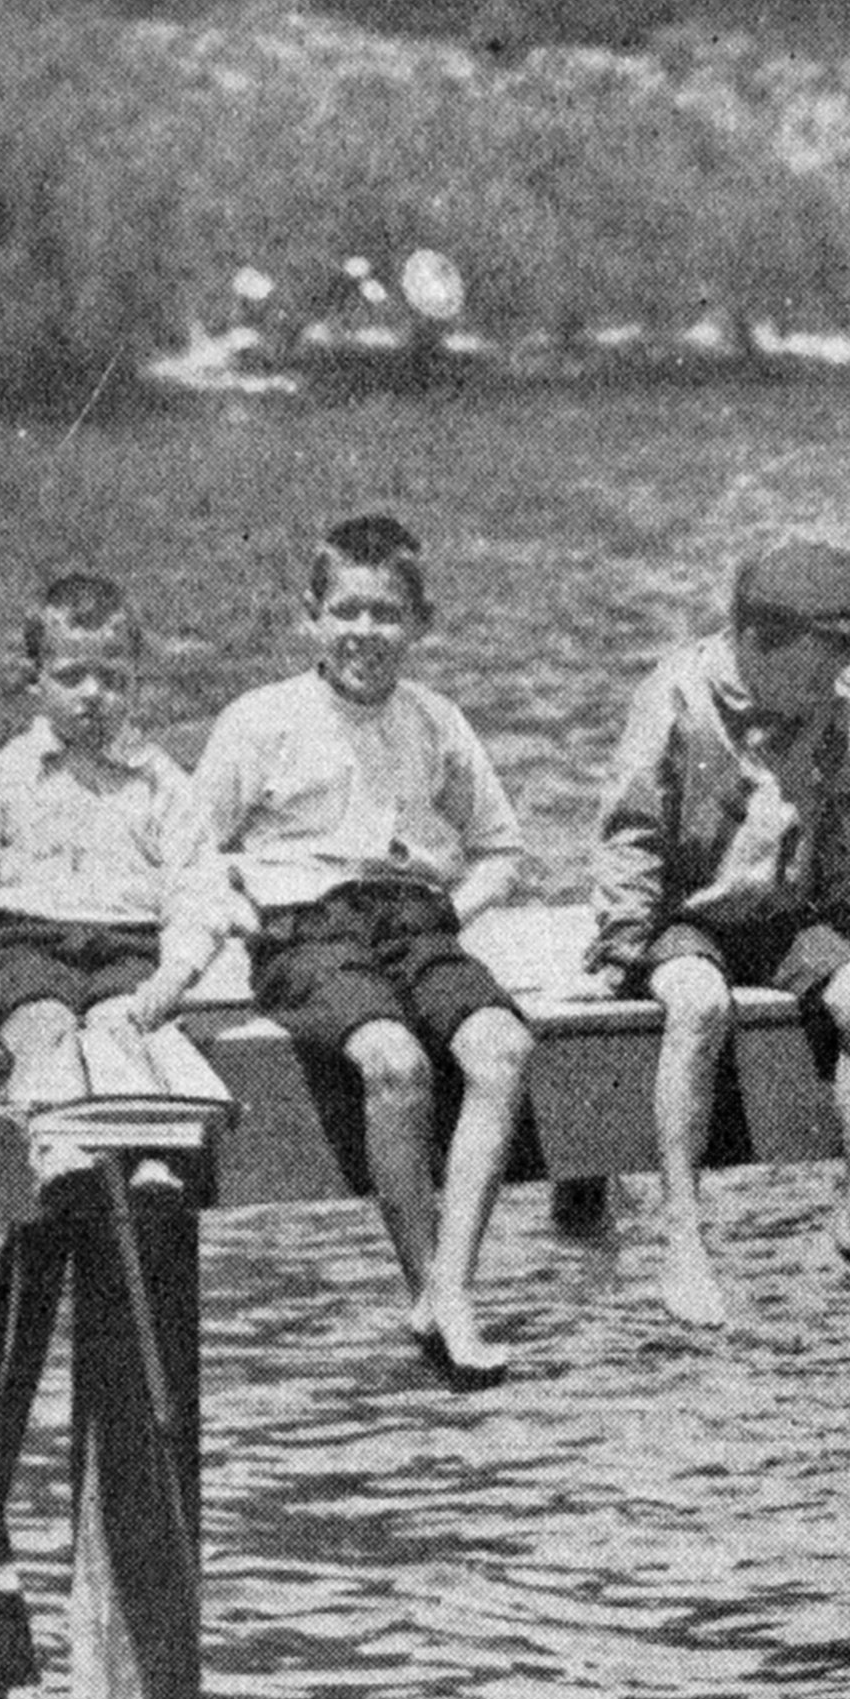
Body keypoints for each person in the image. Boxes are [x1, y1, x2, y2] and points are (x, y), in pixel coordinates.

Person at [195, 513, 535, 1388]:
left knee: (502, 1045)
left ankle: (451, 1286)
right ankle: (427, 1285)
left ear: (419, 624)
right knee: (394, 1062)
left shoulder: (436, 721)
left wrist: (454, 910)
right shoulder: (261, 720)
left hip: (416, 915)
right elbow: (192, 851)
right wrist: (240, 914)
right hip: (307, 922)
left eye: (387, 614)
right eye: (345, 611)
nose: (365, 633)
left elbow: (501, 846)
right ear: (311, 617)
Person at [582, 542, 850, 1331]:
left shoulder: (823, 707)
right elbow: (629, 831)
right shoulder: (675, 695)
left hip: (775, 913)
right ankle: (683, 1236)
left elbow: (841, 830)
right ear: (755, 641)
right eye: (810, 668)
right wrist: (628, 945)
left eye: (833, 671)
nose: (820, 688)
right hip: (681, 916)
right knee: (698, 1006)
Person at [0, 571, 233, 1192]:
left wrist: (174, 976)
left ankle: (152, 1159)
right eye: (71, 677)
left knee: (126, 1031)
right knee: (48, 1030)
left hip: (127, 948)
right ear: (35, 682)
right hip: (27, 945)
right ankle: (56, 1150)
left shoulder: (161, 784)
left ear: (135, 683)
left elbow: (200, 897)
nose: (93, 694)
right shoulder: (0, 779)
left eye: (113, 679)